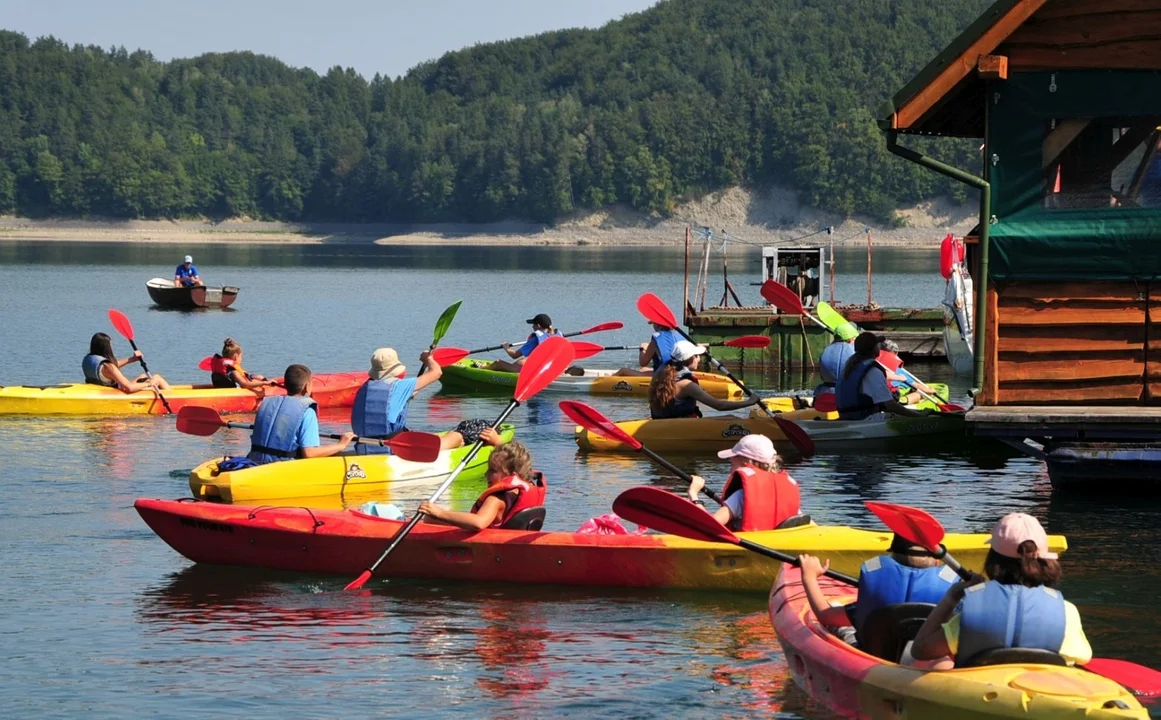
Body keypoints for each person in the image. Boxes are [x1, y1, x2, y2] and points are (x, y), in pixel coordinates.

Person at [910, 513, 1092, 668]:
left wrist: (951, 598)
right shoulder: (1066, 611)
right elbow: (1084, 657)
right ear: (1046, 562)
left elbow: (919, 649)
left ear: (993, 562)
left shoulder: (972, 611)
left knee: (941, 662)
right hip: (1043, 701)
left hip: (981, 698)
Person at [796, 536, 958, 646]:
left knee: (844, 627)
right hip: (926, 664)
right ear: (937, 562)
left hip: (873, 656)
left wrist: (809, 577)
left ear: (892, 557)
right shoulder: (952, 600)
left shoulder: (874, 597)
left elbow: (825, 616)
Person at [351, 347, 490, 453]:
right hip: (392, 450)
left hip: (363, 447)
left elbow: (385, 405)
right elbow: (436, 372)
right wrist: (428, 359)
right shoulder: (399, 386)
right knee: (457, 438)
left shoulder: (365, 387)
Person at [418, 427, 545, 530]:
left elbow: (479, 522)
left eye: (492, 470)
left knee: (430, 519)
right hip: (509, 539)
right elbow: (517, 463)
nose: (486, 474)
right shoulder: (523, 485)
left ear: (511, 474)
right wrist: (498, 443)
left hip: (486, 545)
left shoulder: (496, 499)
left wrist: (439, 513)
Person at [687, 434, 801, 531]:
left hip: (747, 553)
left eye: (732, 464)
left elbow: (709, 526)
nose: (730, 469)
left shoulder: (740, 496)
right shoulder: (785, 493)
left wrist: (694, 494)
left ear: (745, 462)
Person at [246, 364, 355, 464]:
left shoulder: (267, 403)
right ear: (306, 387)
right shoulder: (307, 411)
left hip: (256, 463)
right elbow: (309, 453)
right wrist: (341, 445)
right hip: (282, 469)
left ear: (286, 385)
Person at [835, 332, 933, 421]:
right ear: (873, 349)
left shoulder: (849, 367)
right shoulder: (872, 371)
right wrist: (918, 416)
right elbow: (889, 405)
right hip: (865, 419)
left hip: (846, 417)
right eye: (877, 345)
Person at [649, 340, 759, 419]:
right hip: (681, 427)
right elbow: (719, 406)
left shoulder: (660, 375)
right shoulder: (687, 385)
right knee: (732, 419)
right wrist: (749, 402)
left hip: (662, 424)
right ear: (692, 358)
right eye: (697, 356)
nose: (699, 359)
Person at [82, 332, 171, 393]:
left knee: (143, 376)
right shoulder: (109, 367)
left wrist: (132, 359)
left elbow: (110, 368)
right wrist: (150, 383)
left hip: (103, 389)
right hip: (120, 392)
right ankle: (172, 397)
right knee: (157, 378)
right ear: (106, 347)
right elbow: (129, 388)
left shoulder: (88, 359)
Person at [485, 314, 563, 373]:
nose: (532, 327)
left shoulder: (535, 339)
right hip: (554, 368)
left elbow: (514, 355)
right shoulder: (558, 335)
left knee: (498, 363)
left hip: (536, 371)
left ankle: (481, 368)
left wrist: (506, 347)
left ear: (538, 326)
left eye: (533, 325)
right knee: (521, 362)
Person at [613, 321, 684, 377]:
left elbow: (643, 362)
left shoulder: (656, 340)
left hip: (663, 375)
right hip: (678, 371)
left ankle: (606, 381)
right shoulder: (678, 336)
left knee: (623, 371)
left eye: (654, 323)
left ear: (658, 325)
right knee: (643, 370)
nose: (653, 326)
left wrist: (642, 349)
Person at [209, 338, 276, 391]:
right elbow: (245, 384)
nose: (242, 358)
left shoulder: (227, 368)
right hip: (234, 393)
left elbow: (247, 376)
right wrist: (265, 383)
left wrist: (259, 378)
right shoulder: (233, 371)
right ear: (236, 356)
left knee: (258, 378)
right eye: (241, 356)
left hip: (223, 390)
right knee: (257, 381)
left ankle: (266, 381)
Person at [815, 322, 859, 396]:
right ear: (851, 339)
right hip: (847, 395)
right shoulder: (855, 351)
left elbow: (822, 376)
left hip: (824, 393)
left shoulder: (826, 350)